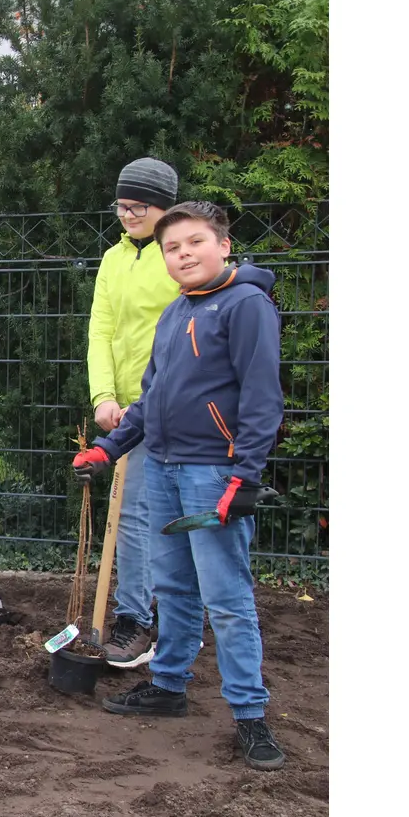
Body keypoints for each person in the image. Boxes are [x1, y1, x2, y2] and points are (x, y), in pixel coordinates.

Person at [71, 201, 286, 771]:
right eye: (172, 248)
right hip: (164, 467)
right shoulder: (174, 313)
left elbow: (262, 398)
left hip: (211, 472)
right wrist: (109, 448)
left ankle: (250, 714)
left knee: (227, 599)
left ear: (224, 245)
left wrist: (245, 476)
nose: (183, 254)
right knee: (173, 588)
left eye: (195, 242)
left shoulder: (246, 306)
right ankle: (168, 686)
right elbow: (152, 399)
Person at [85, 157, 183, 668]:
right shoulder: (112, 259)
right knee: (134, 513)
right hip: (121, 412)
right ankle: (155, 616)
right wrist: (104, 397)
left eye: (137, 207)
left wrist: (143, 403)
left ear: (163, 208)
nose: (126, 215)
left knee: (141, 515)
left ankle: (136, 621)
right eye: (121, 206)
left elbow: (183, 337)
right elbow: (100, 330)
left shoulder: (178, 259)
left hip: (166, 406)